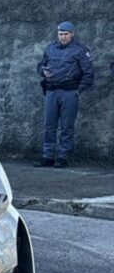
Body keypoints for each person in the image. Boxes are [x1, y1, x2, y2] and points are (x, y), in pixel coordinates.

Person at [34, 21, 94, 168]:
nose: (63, 37)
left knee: (66, 126)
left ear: (72, 34)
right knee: (49, 125)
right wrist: (43, 72)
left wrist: (78, 91)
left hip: (69, 92)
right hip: (51, 91)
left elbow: (88, 73)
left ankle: (62, 157)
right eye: (60, 34)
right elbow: (40, 66)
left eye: (66, 34)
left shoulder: (80, 50)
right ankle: (48, 156)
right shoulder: (50, 48)